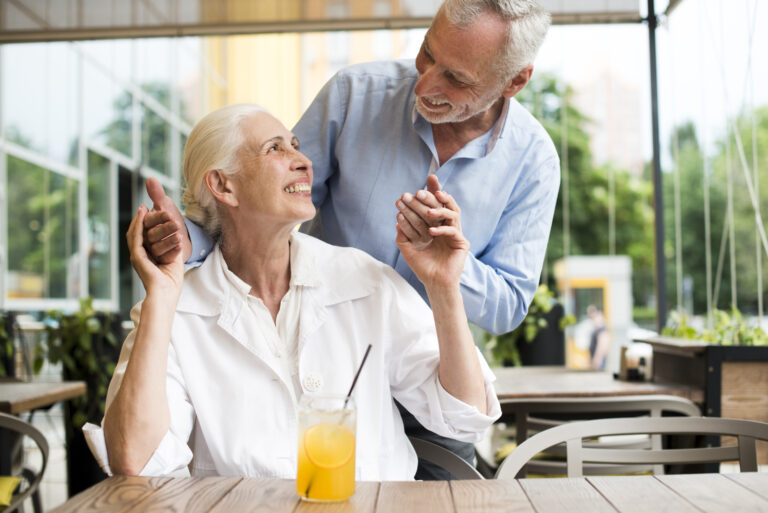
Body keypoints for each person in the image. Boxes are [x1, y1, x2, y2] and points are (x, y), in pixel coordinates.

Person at [142, 0, 558, 479]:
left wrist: (450, 267)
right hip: (332, 371)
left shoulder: (534, 161)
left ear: (514, 81)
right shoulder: (354, 95)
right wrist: (188, 240)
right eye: (427, 53)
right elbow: (268, 201)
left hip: (435, 374)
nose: (425, 84)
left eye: (456, 79)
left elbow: (509, 305)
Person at [82, 104, 501, 480]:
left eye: (296, 146)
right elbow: (135, 461)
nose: (303, 161)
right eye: (275, 149)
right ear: (223, 186)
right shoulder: (175, 310)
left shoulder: (365, 280)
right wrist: (161, 294)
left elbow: (464, 414)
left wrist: (443, 287)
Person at [587, 305, 610, 371]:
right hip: (598, 358)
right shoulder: (598, 327)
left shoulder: (600, 327)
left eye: (592, 312)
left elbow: (602, 344)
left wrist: (598, 358)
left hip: (599, 359)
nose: (590, 315)